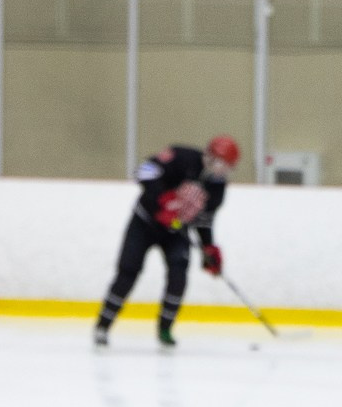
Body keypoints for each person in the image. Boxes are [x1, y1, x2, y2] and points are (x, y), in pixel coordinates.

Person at [93, 135, 240, 349]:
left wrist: (208, 247)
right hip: (144, 222)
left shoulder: (217, 187)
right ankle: (103, 326)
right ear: (210, 156)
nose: (223, 171)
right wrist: (160, 200)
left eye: (228, 167)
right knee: (128, 271)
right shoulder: (182, 157)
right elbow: (143, 170)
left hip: (175, 230)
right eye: (221, 164)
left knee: (178, 275)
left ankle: (165, 329)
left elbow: (204, 220)